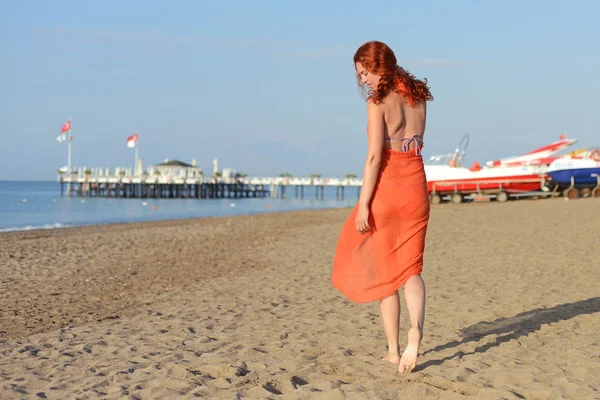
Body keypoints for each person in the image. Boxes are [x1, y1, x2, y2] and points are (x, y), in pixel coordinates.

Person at [331, 41, 433, 374]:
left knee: (386, 272)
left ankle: (393, 350)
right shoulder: (417, 97)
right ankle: (414, 332)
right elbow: (415, 144)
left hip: (388, 188)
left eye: (366, 72)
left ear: (380, 67)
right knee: (412, 269)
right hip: (416, 186)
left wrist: (363, 205)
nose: (364, 81)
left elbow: (375, 156)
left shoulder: (378, 102)